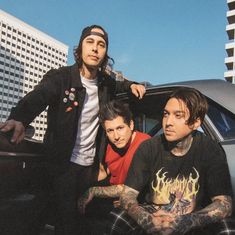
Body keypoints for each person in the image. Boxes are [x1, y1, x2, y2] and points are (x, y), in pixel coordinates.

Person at [0, 25, 146, 235]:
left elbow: (119, 85)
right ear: (80, 47)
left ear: (105, 53)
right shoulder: (61, 78)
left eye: (101, 45)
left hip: (89, 169)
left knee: (84, 221)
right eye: (90, 42)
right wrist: (19, 118)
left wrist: (132, 85)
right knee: (65, 224)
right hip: (63, 167)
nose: (95, 49)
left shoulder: (105, 85)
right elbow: (39, 96)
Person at [107, 87, 233, 235]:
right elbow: (127, 195)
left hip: (193, 216)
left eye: (178, 115)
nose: (168, 122)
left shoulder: (210, 149)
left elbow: (225, 204)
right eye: (166, 114)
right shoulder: (149, 147)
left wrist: (187, 221)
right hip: (153, 213)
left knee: (228, 228)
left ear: (196, 122)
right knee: (117, 217)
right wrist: (146, 219)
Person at [77, 100, 150, 215]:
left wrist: (93, 191)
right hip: (114, 200)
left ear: (131, 125)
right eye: (110, 131)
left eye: (120, 128)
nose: (116, 136)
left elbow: (130, 188)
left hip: (139, 201)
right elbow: (104, 173)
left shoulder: (145, 145)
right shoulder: (109, 147)